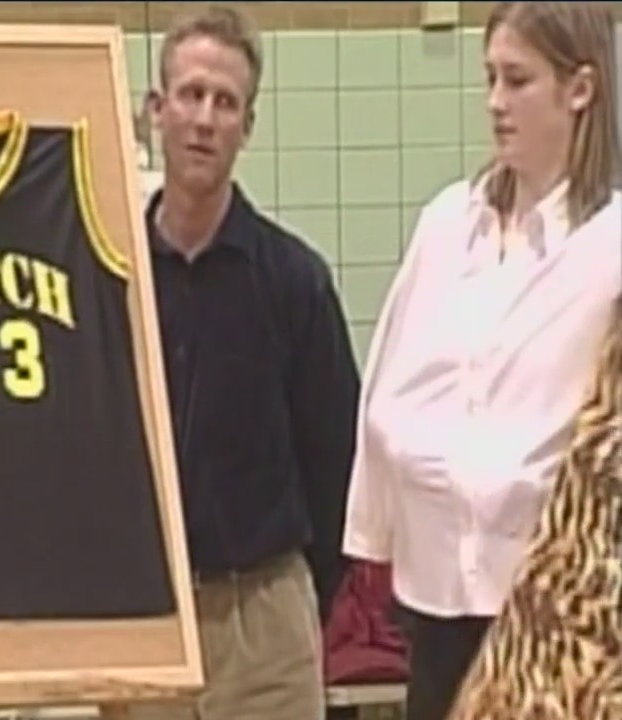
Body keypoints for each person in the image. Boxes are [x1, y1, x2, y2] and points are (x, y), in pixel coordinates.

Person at [342, 3, 622, 719]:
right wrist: (374, 536)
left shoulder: (610, 247)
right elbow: (388, 384)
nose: (495, 101)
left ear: (580, 89)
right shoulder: (449, 224)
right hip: (435, 601)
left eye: (518, 81)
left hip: (558, 616)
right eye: (490, 78)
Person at [141, 6, 360, 719]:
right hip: (145, 618)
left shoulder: (295, 283)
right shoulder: (112, 279)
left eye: (225, 102)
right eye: (190, 95)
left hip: (265, 624)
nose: (205, 119)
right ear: (156, 110)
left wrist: (291, 602)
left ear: (248, 126)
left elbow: (337, 461)